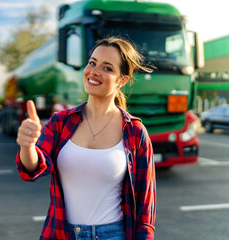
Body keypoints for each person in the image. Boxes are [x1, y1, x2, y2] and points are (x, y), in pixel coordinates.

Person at [15, 36, 156, 240]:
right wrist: (27, 146)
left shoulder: (134, 131)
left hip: (113, 235)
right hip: (63, 233)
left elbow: (145, 206)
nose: (94, 72)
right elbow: (33, 169)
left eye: (107, 68)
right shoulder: (61, 121)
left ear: (122, 80)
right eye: (92, 63)